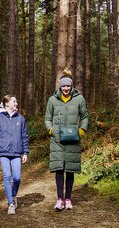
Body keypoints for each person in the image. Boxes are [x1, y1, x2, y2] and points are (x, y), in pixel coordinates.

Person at [45, 76, 89, 211]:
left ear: (71, 87)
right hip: (57, 140)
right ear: (60, 87)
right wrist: (51, 130)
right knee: (59, 169)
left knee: (70, 169)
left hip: (73, 139)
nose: (65, 89)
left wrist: (82, 130)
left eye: (68, 86)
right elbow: (47, 117)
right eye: (63, 86)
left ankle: (68, 199)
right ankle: (59, 199)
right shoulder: (52, 100)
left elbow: (85, 116)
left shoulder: (79, 99)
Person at [0, 94, 29, 215]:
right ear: (7, 104)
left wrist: (25, 152)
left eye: (16, 102)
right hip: (3, 152)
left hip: (16, 152)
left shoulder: (21, 119)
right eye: (14, 102)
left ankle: (13, 195)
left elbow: (25, 136)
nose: (16, 104)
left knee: (17, 178)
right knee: (7, 177)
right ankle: (10, 203)